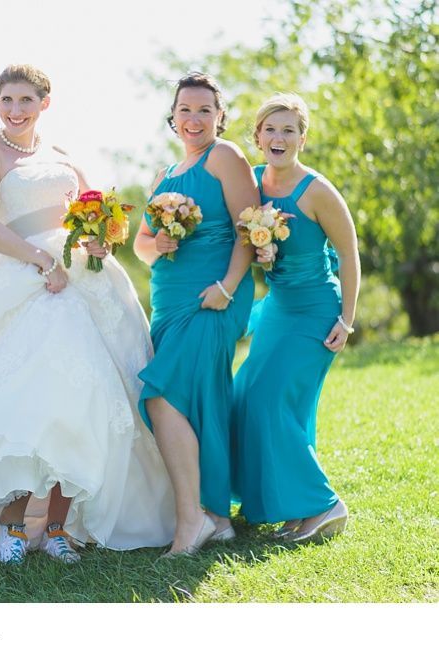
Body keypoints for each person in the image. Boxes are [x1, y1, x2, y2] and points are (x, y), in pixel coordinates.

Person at [0, 65, 175, 564]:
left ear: (44, 103)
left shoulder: (63, 157)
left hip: (86, 281)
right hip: (26, 276)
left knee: (87, 395)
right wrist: (43, 259)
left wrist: (101, 239)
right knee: (25, 394)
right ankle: (9, 523)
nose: (14, 110)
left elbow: (103, 217)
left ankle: (55, 526)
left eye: (25, 100)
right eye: (6, 100)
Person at [132, 72, 258, 555]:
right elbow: (142, 244)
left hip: (214, 295)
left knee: (160, 395)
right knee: (197, 399)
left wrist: (227, 288)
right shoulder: (165, 175)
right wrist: (157, 243)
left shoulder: (225, 157)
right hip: (169, 300)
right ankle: (217, 517)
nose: (194, 118)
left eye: (205, 110)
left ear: (220, 117)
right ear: (173, 116)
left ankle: (191, 522)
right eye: (185, 109)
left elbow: (249, 229)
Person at [232, 93, 358, 542]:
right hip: (278, 309)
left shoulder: (318, 190)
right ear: (258, 136)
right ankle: (287, 508)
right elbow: (252, 246)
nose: (279, 137)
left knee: (270, 399)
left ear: (302, 137)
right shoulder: (254, 184)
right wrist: (263, 252)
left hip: (318, 311)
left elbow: (348, 253)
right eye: (270, 129)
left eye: (288, 130)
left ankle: (325, 505)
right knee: (247, 394)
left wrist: (347, 320)